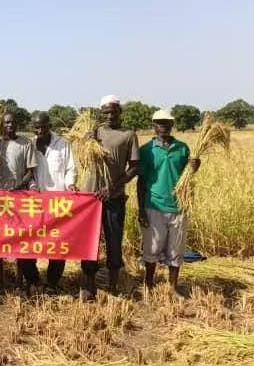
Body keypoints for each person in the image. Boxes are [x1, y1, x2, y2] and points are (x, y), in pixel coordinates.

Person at [81, 95, 140, 300]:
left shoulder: (128, 135)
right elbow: (81, 160)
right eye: (106, 112)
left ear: (120, 112)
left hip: (114, 198)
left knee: (114, 241)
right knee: (89, 242)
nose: (110, 115)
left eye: (113, 111)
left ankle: (113, 285)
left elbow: (134, 168)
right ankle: (88, 284)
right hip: (89, 199)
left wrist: (112, 186)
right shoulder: (93, 134)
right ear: (101, 113)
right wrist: (85, 142)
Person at [138, 109, 199, 296]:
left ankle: (173, 287)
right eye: (160, 123)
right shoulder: (146, 151)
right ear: (154, 126)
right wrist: (141, 210)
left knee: (176, 250)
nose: (164, 126)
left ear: (172, 125)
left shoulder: (182, 149)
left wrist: (195, 168)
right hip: (154, 205)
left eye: (167, 123)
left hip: (179, 207)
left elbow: (186, 178)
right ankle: (148, 285)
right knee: (151, 250)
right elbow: (141, 182)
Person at [30, 112, 78, 294]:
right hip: (34, 204)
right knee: (30, 242)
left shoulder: (63, 145)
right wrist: (32, 186)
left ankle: (52, 283)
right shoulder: (30, 145)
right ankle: (33, 280)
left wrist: (71, 184)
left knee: (58, 244)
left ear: (50, 126)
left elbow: (70, 169)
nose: (40, 130)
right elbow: (27, 172)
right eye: (36, 127)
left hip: (58, 203)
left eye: (43, 126)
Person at [0, 111, 39, 293]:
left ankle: (20, 281)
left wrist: (18, 185)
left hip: (19, 198)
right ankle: (0, 280)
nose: (9, 125)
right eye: (6, 123)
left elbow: (30, 171)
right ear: (2, 125)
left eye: (12, 122)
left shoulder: (26, 143)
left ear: (17, 124)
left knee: (20, 241)